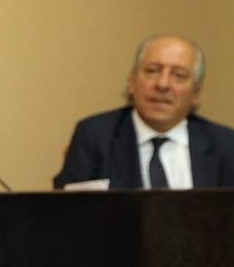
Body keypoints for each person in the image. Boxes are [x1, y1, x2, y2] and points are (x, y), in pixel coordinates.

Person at [54, 34, 234, 189]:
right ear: (131, 82)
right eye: (152, 71)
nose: (163, 84)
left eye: (179, 75)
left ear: (196, 92)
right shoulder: (94, 136)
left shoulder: (226, 144)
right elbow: (69, 215)